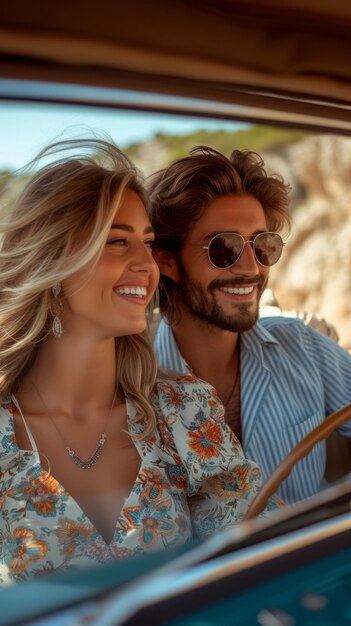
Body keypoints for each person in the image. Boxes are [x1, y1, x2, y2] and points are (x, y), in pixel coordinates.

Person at [0, 139, 281, 585]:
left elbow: (263, 558)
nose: (147, 265)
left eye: (148, 243)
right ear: (53, 261)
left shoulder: (182, 411)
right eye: (117, 242)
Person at [148, 146, 351, 506]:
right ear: (167, 261)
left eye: (263, 246)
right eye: (223, 248)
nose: (250, 268)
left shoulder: (304, 347)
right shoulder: (136, 385)